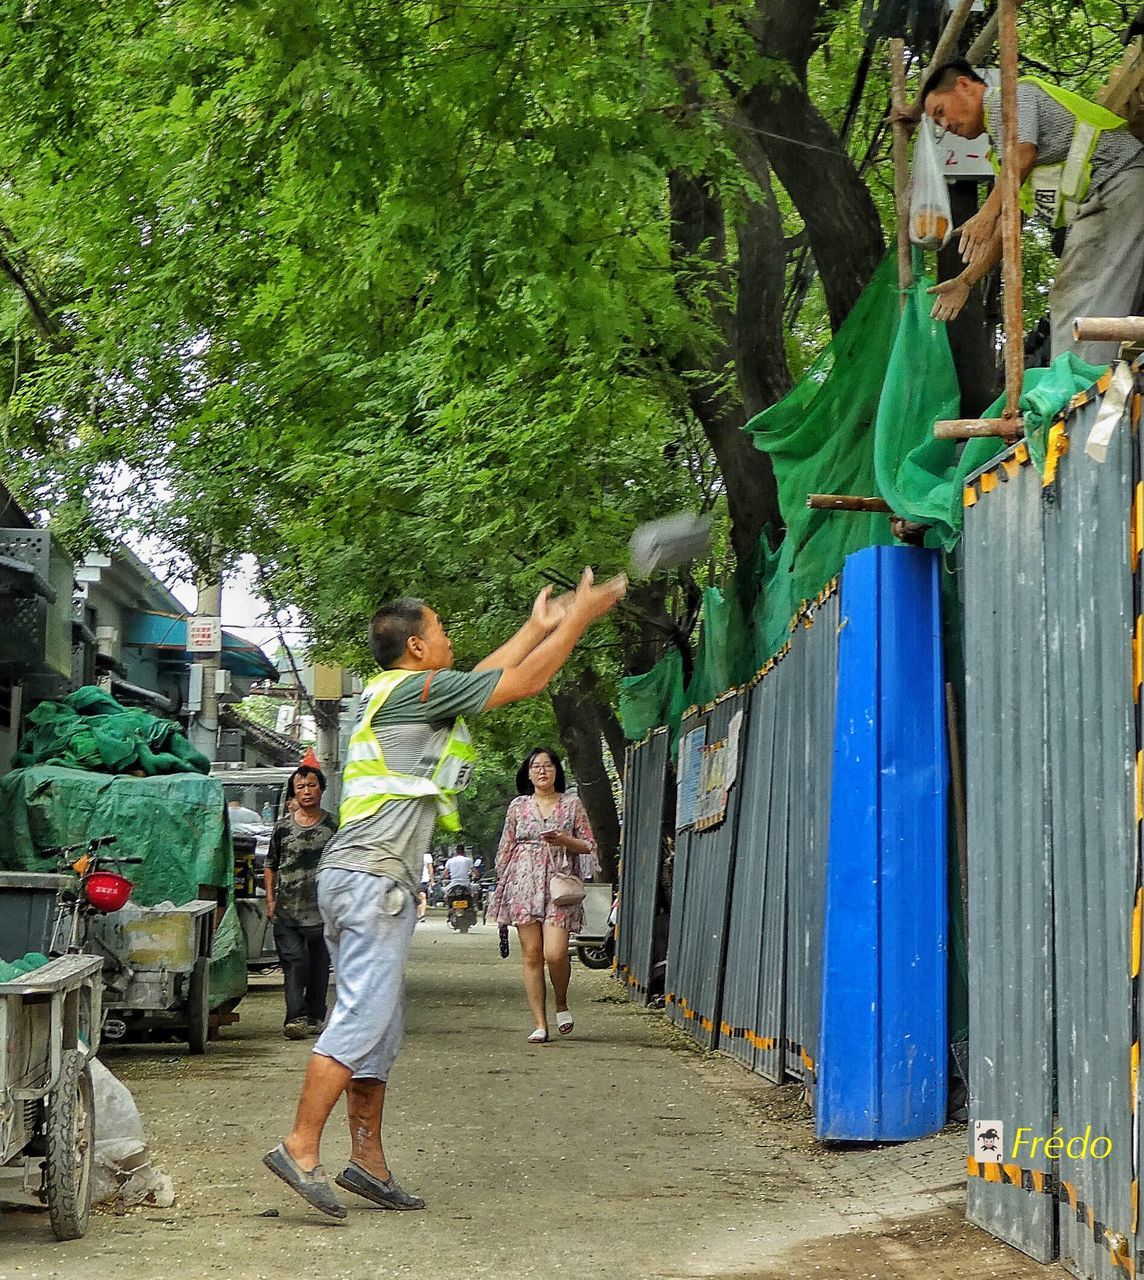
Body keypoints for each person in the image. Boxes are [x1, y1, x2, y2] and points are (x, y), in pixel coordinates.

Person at [263, 568, 625, 1218]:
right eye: (442, 629)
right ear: (418, 648)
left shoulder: (396, 690)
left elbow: (485, 676)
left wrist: (537, 626)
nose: (450, 638)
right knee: (361, 1019)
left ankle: (367, 1163)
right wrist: (580, 617)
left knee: (380, 1025)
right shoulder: (417, 691)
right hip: (374, 879)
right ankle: (300, 1145)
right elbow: (526, 682)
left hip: (362, 877)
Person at [918, 59, 1144, 365]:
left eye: (940, 112)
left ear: (964, 85)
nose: (944, 126)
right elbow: (1009, 227)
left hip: (1118, 182)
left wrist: (986, 213)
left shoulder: (1008, 97)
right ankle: (1089, 376)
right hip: (1110, 196)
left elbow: (1023, 154)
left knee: (1077, 289)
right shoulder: (1003, 160)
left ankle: (1078, 383)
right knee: (1082, 291)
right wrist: (967, 280)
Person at [488, 747, 597, 1044]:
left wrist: (564, 840)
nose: (541, 771)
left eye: (547, 765)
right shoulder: (518, 806)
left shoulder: (571, 804)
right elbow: (505, 847)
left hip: (558, 886)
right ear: (528, 772)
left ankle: (561, 1002)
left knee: (555, 953)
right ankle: (540, 1023)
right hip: (523, 883)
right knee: (532, 955)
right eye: (536, 766)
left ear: (556, 771)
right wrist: (504, 883)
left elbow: (588, 844)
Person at [264, 765, 338, 1040]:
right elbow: (270, 865)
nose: (306, 791)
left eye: (311, 785)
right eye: (300, 787)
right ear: (294, 792)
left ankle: (316, 1015)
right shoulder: (282, 828)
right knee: (294, 963)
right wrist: (270, 900)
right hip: (287, 910)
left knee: (318, 965)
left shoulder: (334, 826)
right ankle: (295, 1018)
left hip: (323, 910)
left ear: (321, 789)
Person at [418, 851, 434, 923]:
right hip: (422, 879)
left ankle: (421, 914)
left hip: (420, 879)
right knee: (422, 897)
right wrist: (432, 880)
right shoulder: (427, 856)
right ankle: (421, 914)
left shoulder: (413, 854)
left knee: (420, 896)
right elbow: (430, 869)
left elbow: (430, 869)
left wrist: (432, 880)